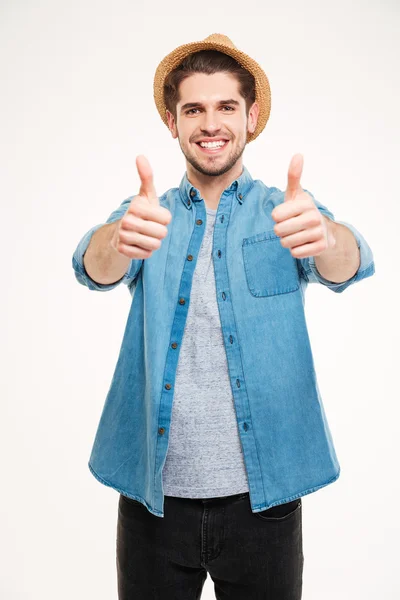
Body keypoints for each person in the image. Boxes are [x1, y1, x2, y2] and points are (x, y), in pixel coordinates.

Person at [72, 33, 375, 600]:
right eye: (194, 109)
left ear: (250, 115)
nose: (211, 123)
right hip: (153, 502)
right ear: (173, 122)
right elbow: (94, 266)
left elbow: (348, 264)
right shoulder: (148, 215)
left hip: (265, 504)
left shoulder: (287, 211)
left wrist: (329, 236)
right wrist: (115, 238)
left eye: (225, 107)